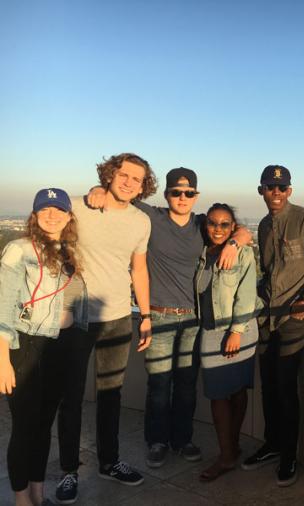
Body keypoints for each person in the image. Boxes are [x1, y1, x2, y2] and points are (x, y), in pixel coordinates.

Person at [87, 167, 251, 469]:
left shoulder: (203, 223)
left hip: (193, 319)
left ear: (196, 196)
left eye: (189, 193)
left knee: (187, 384)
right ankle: (157, 440)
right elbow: (120, 197)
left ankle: (182, 439)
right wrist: (98, 190)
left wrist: (234, 242)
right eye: (176, 192)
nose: (183, 197)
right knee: (159, 384)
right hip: (159, 316)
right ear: (166, 194)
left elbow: (241, 230)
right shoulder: (152, 217)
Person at [54, 154, 155, 504]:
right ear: (109, 175)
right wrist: (91, 193)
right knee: (71, 396)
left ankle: (109, 462)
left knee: (111, 395)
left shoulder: (141, 222)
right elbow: (48, 230)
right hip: (75, 318)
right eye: (123, 174)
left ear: (144, 186)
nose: (128, 182)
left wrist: (145, 315)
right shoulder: (81, 207)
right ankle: (69, 470)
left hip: (116, 316)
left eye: (137, 179)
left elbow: (138, 270)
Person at [242, 165, 304, 487]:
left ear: (290, 191)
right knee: (267, 385)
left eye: (281, 188)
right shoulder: (264, 225)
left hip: (294, 319)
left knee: (285, 387)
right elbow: (268, 271)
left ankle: (288, 455)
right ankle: (272, 443)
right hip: (267, 316)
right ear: (261, 191)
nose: (275, 193)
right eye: (269, 187)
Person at [0, 188, 86, 506]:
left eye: (59, 209)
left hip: (58, 347)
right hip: (26, 347)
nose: (52, 215)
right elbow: (3, 307)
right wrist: (2, 360)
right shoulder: (19, 249)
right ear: (35, 215)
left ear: (68, 216)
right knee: (24, 428)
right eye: (45, 209)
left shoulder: (66, 251)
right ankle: (22, 500)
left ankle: (38, 494)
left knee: (43, 425)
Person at [195, 203, 259, 482]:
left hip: (239, 330)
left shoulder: (243, 253)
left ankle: (228, 453)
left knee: (236, 391)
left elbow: (246, 294)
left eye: (224, 224)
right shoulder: (202, 252)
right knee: (218, 394)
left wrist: (236, 331)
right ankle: (228, 451)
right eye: (212, 223)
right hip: (210, 330)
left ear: (233, 227)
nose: (217, 229)